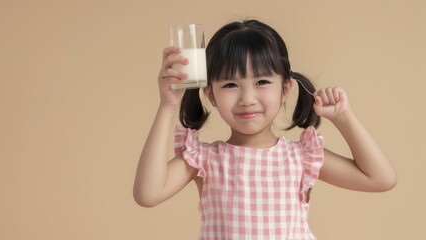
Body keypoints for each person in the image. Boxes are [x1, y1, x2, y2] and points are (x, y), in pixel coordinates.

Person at [133, 19, 397, 239]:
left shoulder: (301, 157)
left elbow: (380, 178)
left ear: (285, 89)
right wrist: (167, 107)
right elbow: (148, 194)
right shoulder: (204, 159)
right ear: (210, 94)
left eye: (261, 81)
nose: (247, 98)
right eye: (230, 85)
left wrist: (344, 117)